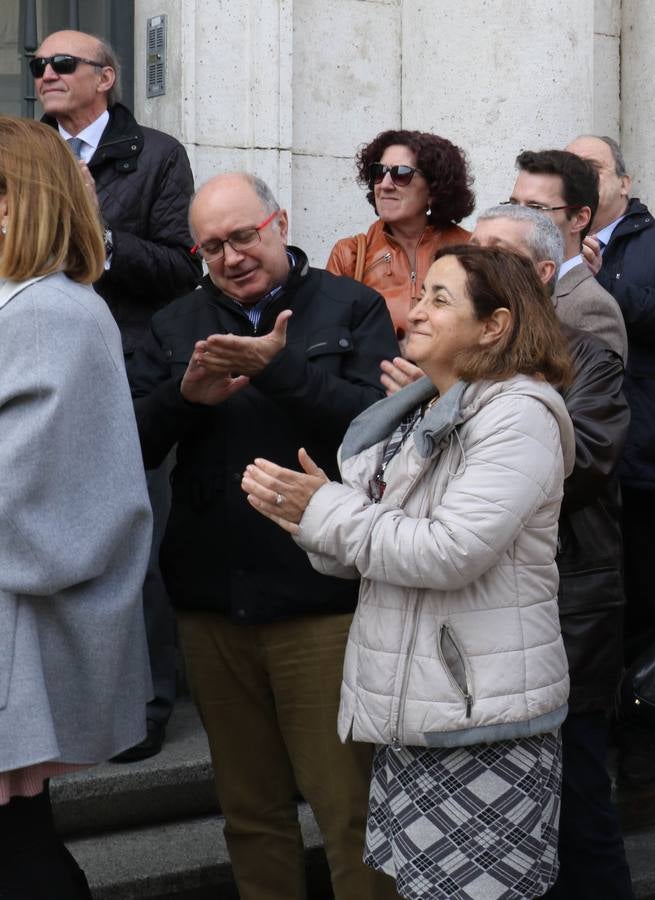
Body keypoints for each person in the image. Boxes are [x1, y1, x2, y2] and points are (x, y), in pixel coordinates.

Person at [242, 244, 575, 900]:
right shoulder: (423, 411)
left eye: (439, 299)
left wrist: (329, 511)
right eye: (420, 295)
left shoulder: (518, 414)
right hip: (418, 709)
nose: (414, 311)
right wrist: (311, 520)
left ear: (494, 326)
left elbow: (448, 552)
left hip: (480, 720)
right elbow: (376, 546)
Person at [127, 172, 400, 900]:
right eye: (211, 246)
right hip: (212, 602)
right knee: (250, 814)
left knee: (351, 813)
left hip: (319, 603)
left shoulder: (352, 305)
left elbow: (378, 435)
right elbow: (129, 446)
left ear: (279, 223)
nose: (231, 256)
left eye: (243, 236)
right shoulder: (174, 323)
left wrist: (279, 372)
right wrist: (183, 398)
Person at [36, 28, 202, 762]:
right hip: (36, 366)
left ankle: (145, 699)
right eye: (37, 64)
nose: (46, 74)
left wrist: (95, 232)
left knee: (136, 538)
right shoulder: (26, 153)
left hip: (130, 372)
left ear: (105, 77)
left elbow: (178, 269)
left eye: (62, 64)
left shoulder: (157, 154)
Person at [0, 115, 152, 900]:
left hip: (19, 623)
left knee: (18, 849)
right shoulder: (31, 306)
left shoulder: (44, 312)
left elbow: (21, 489)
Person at [468, 204, 636, 897]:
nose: (475, 267)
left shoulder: (586, 357)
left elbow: (584, 463)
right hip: (478, 615)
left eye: (496, 255)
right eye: (470, 251)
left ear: (542, 274)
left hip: (566, 611)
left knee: (576, 812)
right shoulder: (448, 360)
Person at [566, 133, 655, 786]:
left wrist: (598, 282)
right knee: (582, 601)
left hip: (642, 452)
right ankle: (589, 723)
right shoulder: (551, 236)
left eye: (592, 167)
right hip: (572, 460)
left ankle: (640, 729)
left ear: (623, 180)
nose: (582, 180)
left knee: (642, 602)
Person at [326, 129, 474, 341]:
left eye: (401, 174)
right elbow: (330, 340)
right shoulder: (350, 255)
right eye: (379, 172)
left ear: (433, 189)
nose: (385, 185)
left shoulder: (471, 249)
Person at [509, 148, 627, 359]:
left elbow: (592, 390)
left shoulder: (593, 309)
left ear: (580, 219)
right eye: (514, 204)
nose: (516, 218)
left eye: (536, 207)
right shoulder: (504, 285)